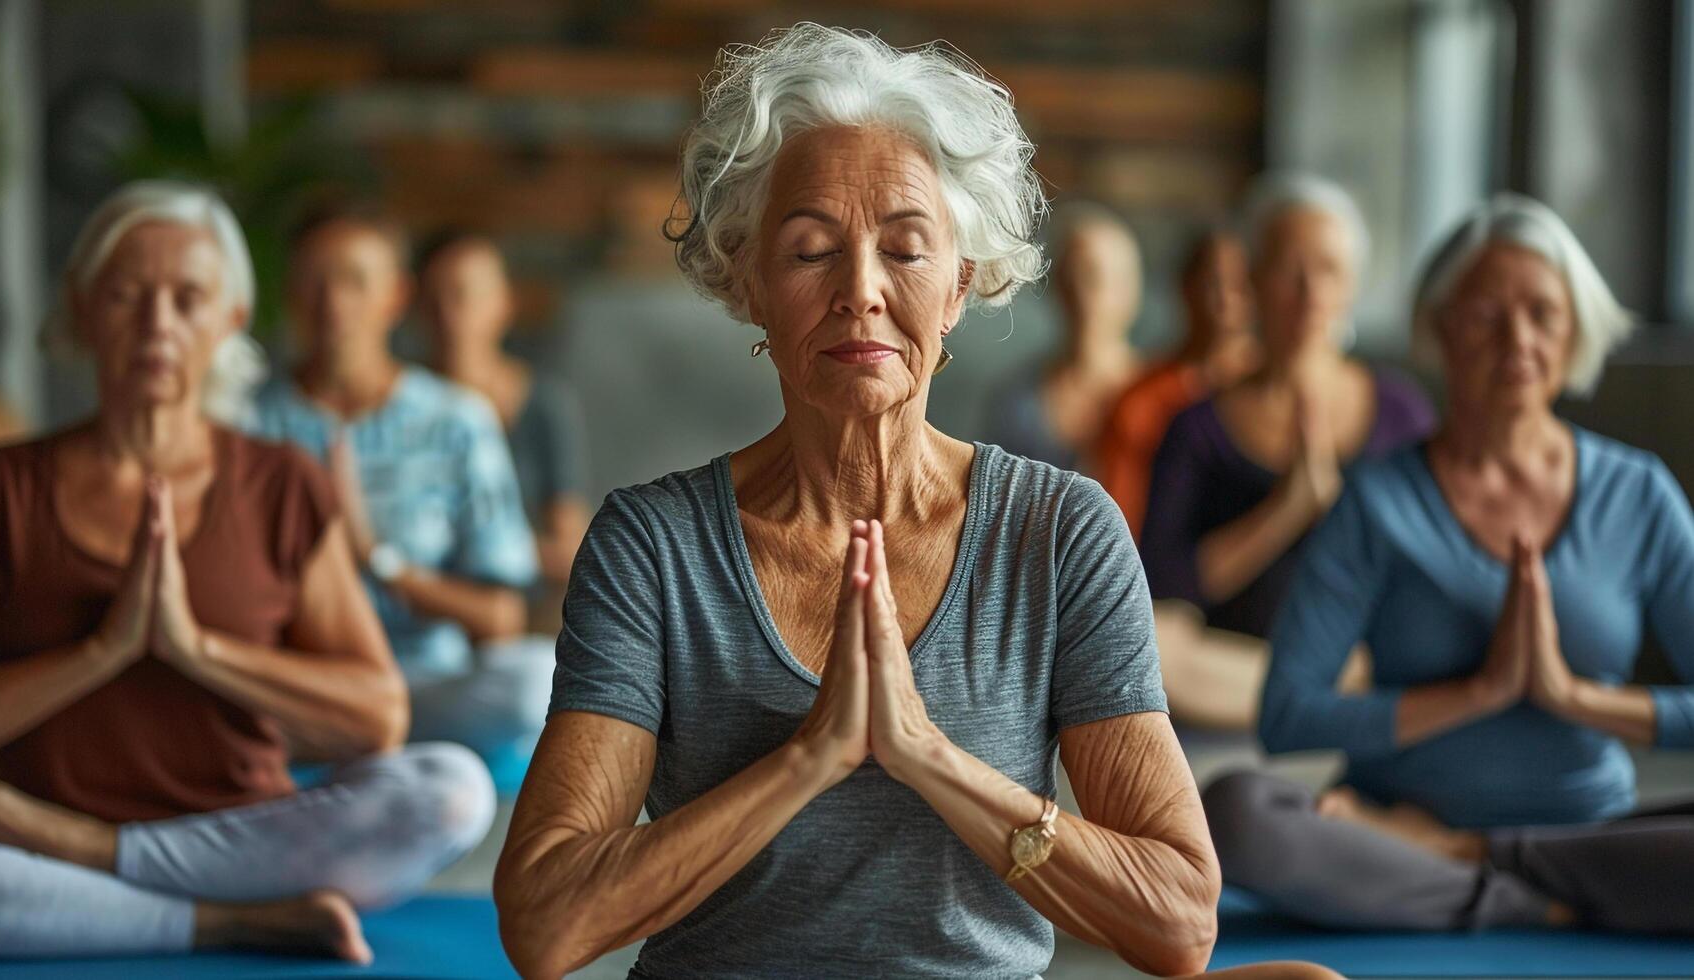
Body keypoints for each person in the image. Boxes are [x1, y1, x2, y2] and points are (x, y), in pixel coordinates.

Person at [494, 24, 1335, 980]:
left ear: (959, 286)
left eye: (905, 249)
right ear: (751, 282)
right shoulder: (653, 544)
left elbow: (1179, 922)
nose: (860, 291)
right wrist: (808, 758)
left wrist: (927, 755)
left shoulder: (1058, 528)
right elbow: (546, 924)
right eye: (811, 251)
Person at [0, 181, 494, 962]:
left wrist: (192, 647)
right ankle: (226, 921)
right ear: (81, 307)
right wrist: (102, 651)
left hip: (235, 839)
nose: (157, 326)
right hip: (37, 834)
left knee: (451, 790)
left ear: (231, 317)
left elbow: (375, 716)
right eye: (127, 294)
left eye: (188, 298)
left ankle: (103, 865)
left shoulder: (279, 483)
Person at [1203, 194, 1694, 935]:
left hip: (1585, 835)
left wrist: (1569, 697)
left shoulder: (1638, 492)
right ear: (1438, 327)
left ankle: (1470, 860)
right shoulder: (1377, 502)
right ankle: (1535, 900)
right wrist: (1481, 691)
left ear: (1574, 332)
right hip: (1390, 831)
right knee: (1235, 813)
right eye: (1486, 315)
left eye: (1541, 314)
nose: (1517, 340)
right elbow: (1286, 716)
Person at [251, 200, 550, 765]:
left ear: (395, 296)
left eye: (355, 281)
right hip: (304, 686)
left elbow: (502, 617)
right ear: (290, 293)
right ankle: (355, 739)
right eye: (315, 282)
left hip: (425, 682)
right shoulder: (249, 423)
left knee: (537, 681)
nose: (334, 304)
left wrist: (374, 557)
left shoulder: (457, 420)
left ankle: (364, 740)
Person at [1140, 174, 1435, 730]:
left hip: (1363, 656)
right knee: (1147, 644)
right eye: (1287, 270)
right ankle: (1310, 699)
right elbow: (1164, 582)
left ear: (1352, 285)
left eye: (1328, 271)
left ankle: (1317, 694)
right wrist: (1287, 510)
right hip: (1231, 663)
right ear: (1251, 279)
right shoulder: (1196, 426)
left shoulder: (1400, 412)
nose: (1309, 292)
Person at [416, 229, 590, 593]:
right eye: (434, 297)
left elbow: (570, 551)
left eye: (464, 296)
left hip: (518, 614)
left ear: (504, 303)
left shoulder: (543, 405)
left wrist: (487, 548)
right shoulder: (404, 405)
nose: (449, 315)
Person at [1094, 230, 1255, 539]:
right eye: (1211, 282)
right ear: (1184, 287)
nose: (1223, 300)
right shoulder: (1140, 399)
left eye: (1238, 285)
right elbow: (1120, 517)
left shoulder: (1272, 394)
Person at [982, 203, 1144, 469]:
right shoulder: (1017, 402)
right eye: (1071, 276)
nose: (1083, 294)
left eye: (1095, 277)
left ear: (1131, 290)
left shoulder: (1163, 400)